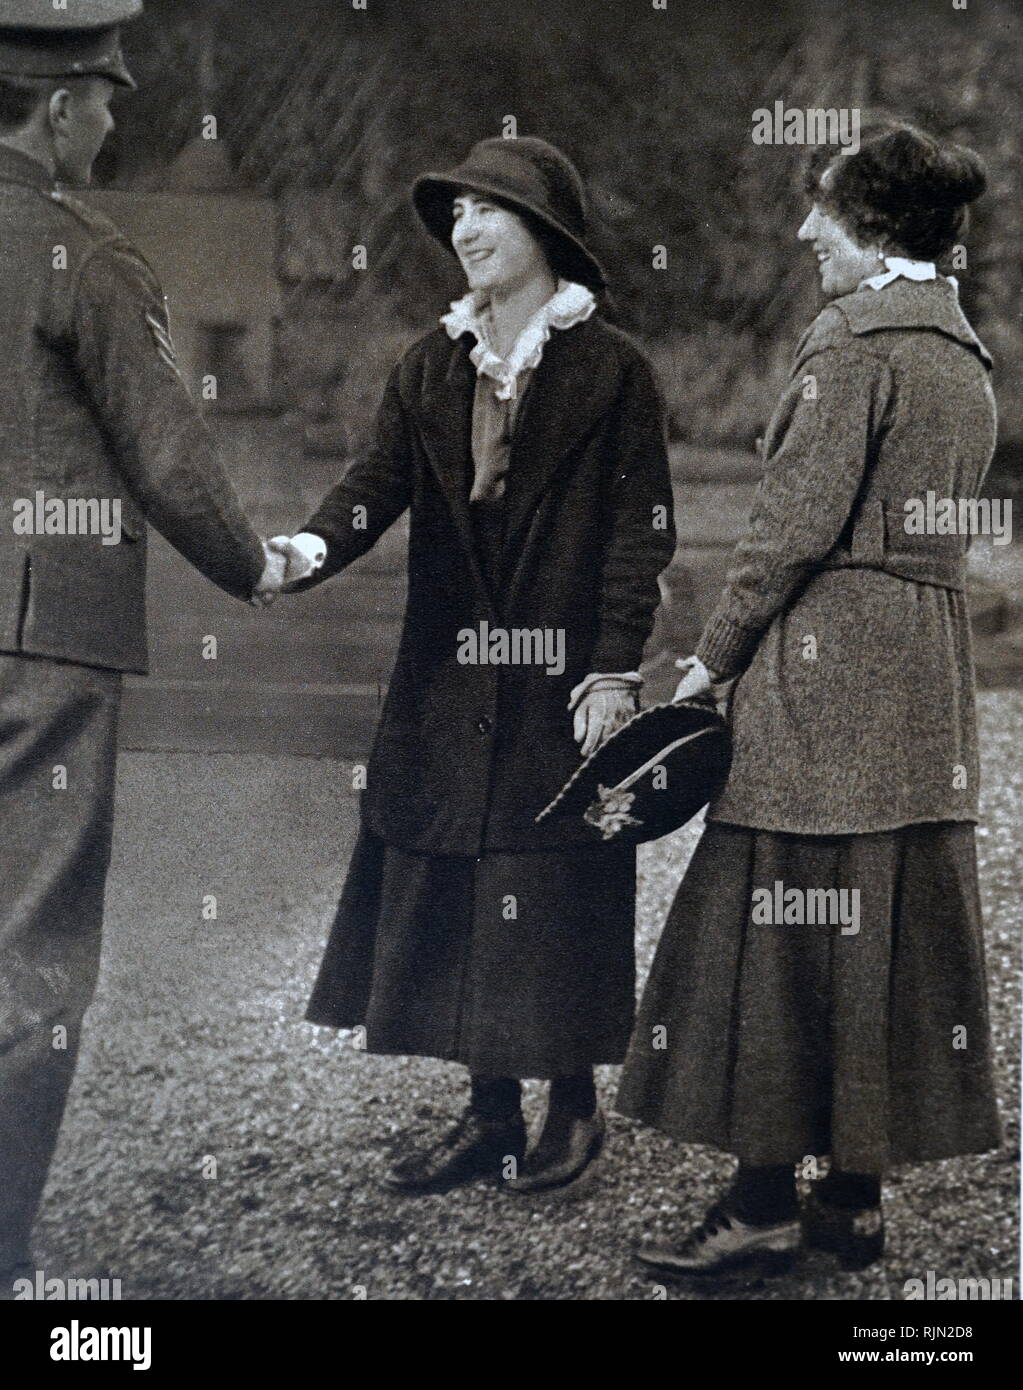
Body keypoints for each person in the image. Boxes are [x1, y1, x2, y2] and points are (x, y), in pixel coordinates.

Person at [616, 119, 1001, 1279]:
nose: (803, 233)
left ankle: (760, 1202)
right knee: (876, 927)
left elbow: (787, 530)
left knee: (777, 925)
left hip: (823, 666)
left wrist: (710, 661)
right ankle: (855, 1206)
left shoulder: (852, 340)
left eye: (822, 212)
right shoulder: (962, 349)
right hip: (924, 674)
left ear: (874, 227)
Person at [271, 136, 676, 1195]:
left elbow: (641, 531)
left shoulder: (614, 370)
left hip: (558, 677)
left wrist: (613, 671)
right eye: (455, 216)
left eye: (487, 212)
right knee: (463, 879)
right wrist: (307, 550)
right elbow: (372, 486)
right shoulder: (431, 363)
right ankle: (491, 1114)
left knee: (552, 883)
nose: (466, 232)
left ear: (544, 233)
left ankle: (575, 1104)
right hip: (451, 674)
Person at [0, 0, 294, 1289]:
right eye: (107, 100)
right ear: (58, 108)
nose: (117, 119)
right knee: (29, 951)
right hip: (37, 643)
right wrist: (254, 563)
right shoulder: (80, 253)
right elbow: (172, 461)